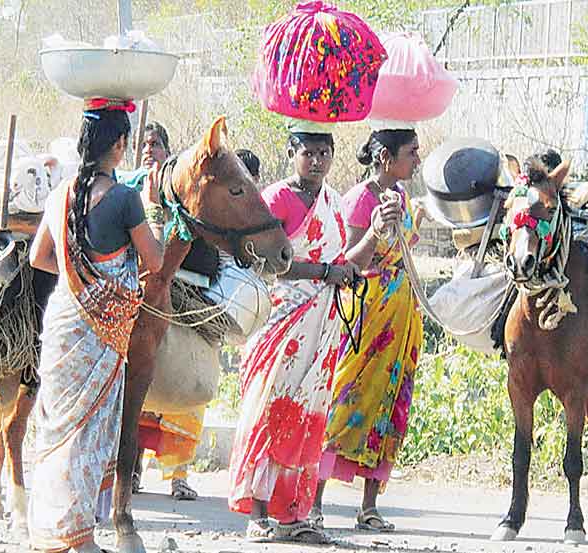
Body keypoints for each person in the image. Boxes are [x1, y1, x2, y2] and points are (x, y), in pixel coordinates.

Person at [27, 98, 164, 553]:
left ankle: (51, 532)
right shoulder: (125, 198)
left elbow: (39, 258)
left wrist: (80, 280)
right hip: (101, 336)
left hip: (64, 322)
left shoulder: (60, 192)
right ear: (121, 145)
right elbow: (155, 260)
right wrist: (152, 212)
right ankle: (80, 539)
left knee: (58, 429)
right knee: (89, 432)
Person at [228, 121, 360, 544]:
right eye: (309, 152)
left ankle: (294, 514)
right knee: (270, 406)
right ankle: (260, 512)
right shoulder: (274, 199)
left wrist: (349, 267)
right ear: (292, 153)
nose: (317, 161)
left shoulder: (335, 202)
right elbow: (265, 261)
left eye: (324, 153)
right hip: (281, 316)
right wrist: (324, 271)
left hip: (322, 320)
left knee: (308, 413)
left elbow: (341, 256)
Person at [309, 127, 424, 533]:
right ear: (384, 158)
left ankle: (369, 505)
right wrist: (376, 230)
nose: (417, 160)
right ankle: (314, 501)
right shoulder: (359, 200)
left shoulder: (404, 199)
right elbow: (349, 262)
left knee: (389, 405)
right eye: (411, 153)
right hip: (365, 316)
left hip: (400, 318)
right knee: (346, 400)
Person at [133, 121, 206, 501]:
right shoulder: (128, 188)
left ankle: (179, 475)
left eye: (156, 143)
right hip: (142, 293)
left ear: (168, 151)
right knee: (138, 387)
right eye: (143, 144)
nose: (149, 150)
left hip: (183, 296)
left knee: (180, 383)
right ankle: (130, 471)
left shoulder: (180, 191)